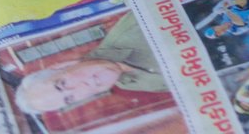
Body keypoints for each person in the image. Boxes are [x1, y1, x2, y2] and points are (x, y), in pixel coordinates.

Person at [13, 12, 169, 117]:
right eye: (70, 98)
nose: (83, 86)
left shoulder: (134, 29)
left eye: (62, 83)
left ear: (63, 65)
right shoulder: (130, 84)